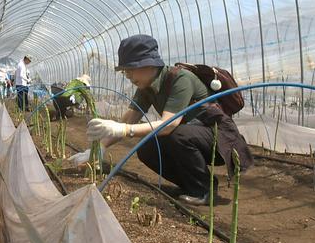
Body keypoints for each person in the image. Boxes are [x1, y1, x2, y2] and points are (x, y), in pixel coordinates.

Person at [85, 35, 253, 205]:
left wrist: (126, 130)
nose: (127, 74)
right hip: (191, 137)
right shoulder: (146, 87)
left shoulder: (181, 79)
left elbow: (168, 125)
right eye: (124, 70)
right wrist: (101, 146)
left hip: (219, 140)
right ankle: (190, 185)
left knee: (176, 134)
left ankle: (203, 189)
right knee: (146, 147)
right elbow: (128, 120)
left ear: (149, 64)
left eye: (130, 68)